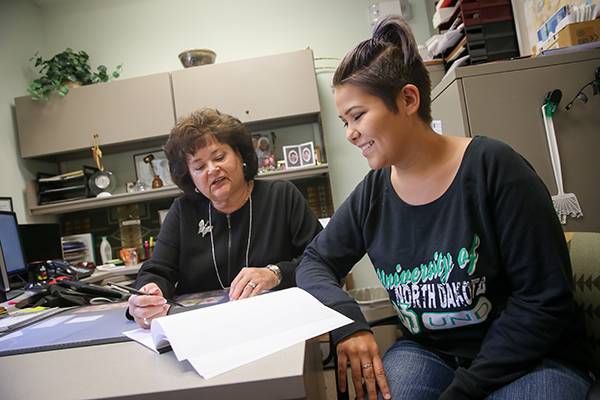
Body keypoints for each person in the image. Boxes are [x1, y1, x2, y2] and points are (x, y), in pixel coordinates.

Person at [296, 16, 591, 400]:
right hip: (430, 352)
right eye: (344, 121)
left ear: (407, 99)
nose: (350, 133)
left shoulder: (494, 169)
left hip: (529, 356)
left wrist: (465, 389)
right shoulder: (373, 194)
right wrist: (349, 324)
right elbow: (314, 262)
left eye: (357, 116)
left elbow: (544, 303)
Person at [128, 108, 322, 329]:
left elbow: (320, 260)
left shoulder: (281, 196)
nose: (212, 169)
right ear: (190, 177)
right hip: (205, 329)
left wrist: (275, 273)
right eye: (199, 167)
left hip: (277, 323)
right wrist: (148, 294)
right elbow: (157, 270)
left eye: (219, 157)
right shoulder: (183, 210)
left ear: (240, 156)